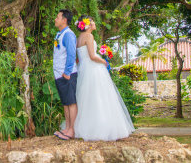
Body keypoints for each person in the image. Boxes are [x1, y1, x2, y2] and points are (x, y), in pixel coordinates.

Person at [73, 15, 135, 141]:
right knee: (99, 96)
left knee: (88, 98)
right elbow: (92, 56)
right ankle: (101, 128)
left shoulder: (80, 37)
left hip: (84, 68)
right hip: (92, 68)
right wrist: (104, 62)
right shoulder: (89, 36)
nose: (95, 23)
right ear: (88, 24)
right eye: (92, 21)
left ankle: (87, 126)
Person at [53, 9, 78, 140]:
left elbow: (72, 54)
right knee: (65, 103)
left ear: (64, 20)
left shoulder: (68, 34)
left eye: (57, 17)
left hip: (67, 74)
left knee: (71, 102)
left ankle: (72, 130)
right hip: (59, 74)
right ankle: (67, 128)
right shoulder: (59, 34)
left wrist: (67, 72)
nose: (55, 19)